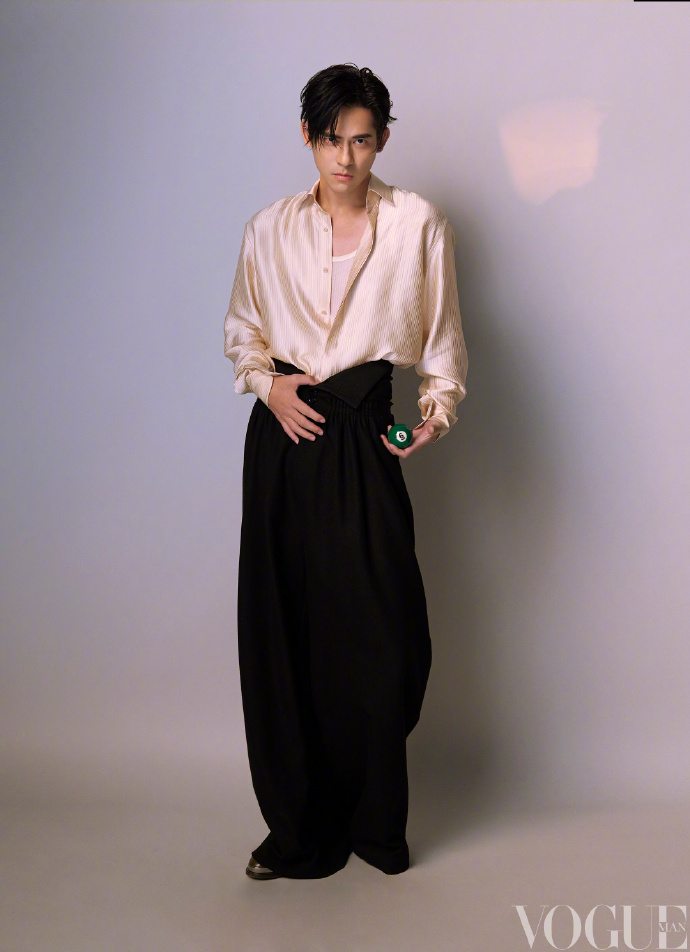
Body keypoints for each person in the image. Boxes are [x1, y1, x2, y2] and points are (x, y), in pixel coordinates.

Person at [224, 63, 468, 880]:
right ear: (308, 136)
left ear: (383, 140)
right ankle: (296, 829)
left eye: (361, 141)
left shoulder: (418, 224)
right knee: (285, 630)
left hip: (364, 434)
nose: (345, 158)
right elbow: (243, 330)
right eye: (331, 139)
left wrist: (433, 415)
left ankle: (374, 821)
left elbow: (443, 340)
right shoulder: (267, 228)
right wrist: (268, 386)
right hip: (285, 437)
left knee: (379, 633)